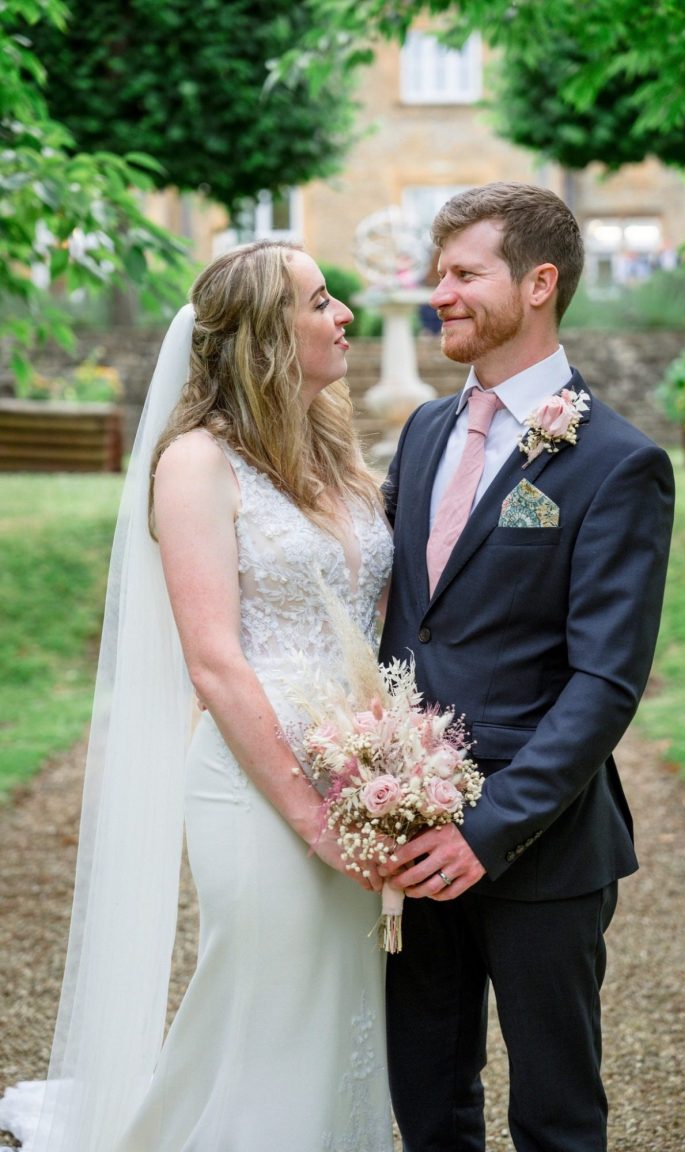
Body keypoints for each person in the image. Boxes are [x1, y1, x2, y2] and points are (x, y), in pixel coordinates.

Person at [0, 241, 394, 1152]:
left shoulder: (336, 454)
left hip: (358, 779)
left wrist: (389, 765)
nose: (344, 315)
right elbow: (214, 664)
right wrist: (313, 820)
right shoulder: (195, 465)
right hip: (258, 787)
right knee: (268, 1010)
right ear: (265, 336)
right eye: (320, 301)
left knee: (338, 1010)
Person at [378, 183, 675, 1152]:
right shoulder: (424, 431)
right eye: (439, 274)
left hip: (542, 848)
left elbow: (606, 682)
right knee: (429, 1103)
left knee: (555, 1116)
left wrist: (488, 828)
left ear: (539, 284)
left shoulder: (618, 462)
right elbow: (406, 626)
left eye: (464, 274)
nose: (439, 294)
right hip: (412, 834)